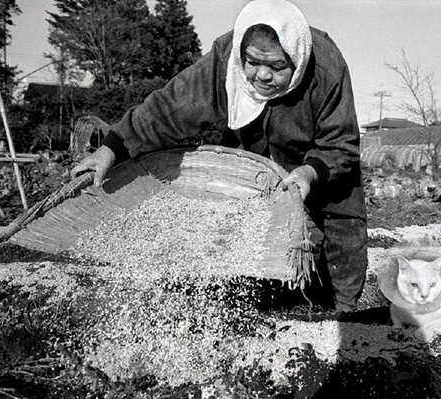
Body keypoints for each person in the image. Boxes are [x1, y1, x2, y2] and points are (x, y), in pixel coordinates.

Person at [71, 0, 367, 313]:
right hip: (254, 155)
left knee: (342, 229)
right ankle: (261, 303)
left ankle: (341, 318)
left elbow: (341, 143)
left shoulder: (326, 68)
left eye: (278, 67)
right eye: (253, 62)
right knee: (251, 232)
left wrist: (310, 173)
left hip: (321, 163)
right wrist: (112, 147)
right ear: (241, 53)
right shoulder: (227, 57)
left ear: (297, 58)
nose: (262, 76)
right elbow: (171, 108)